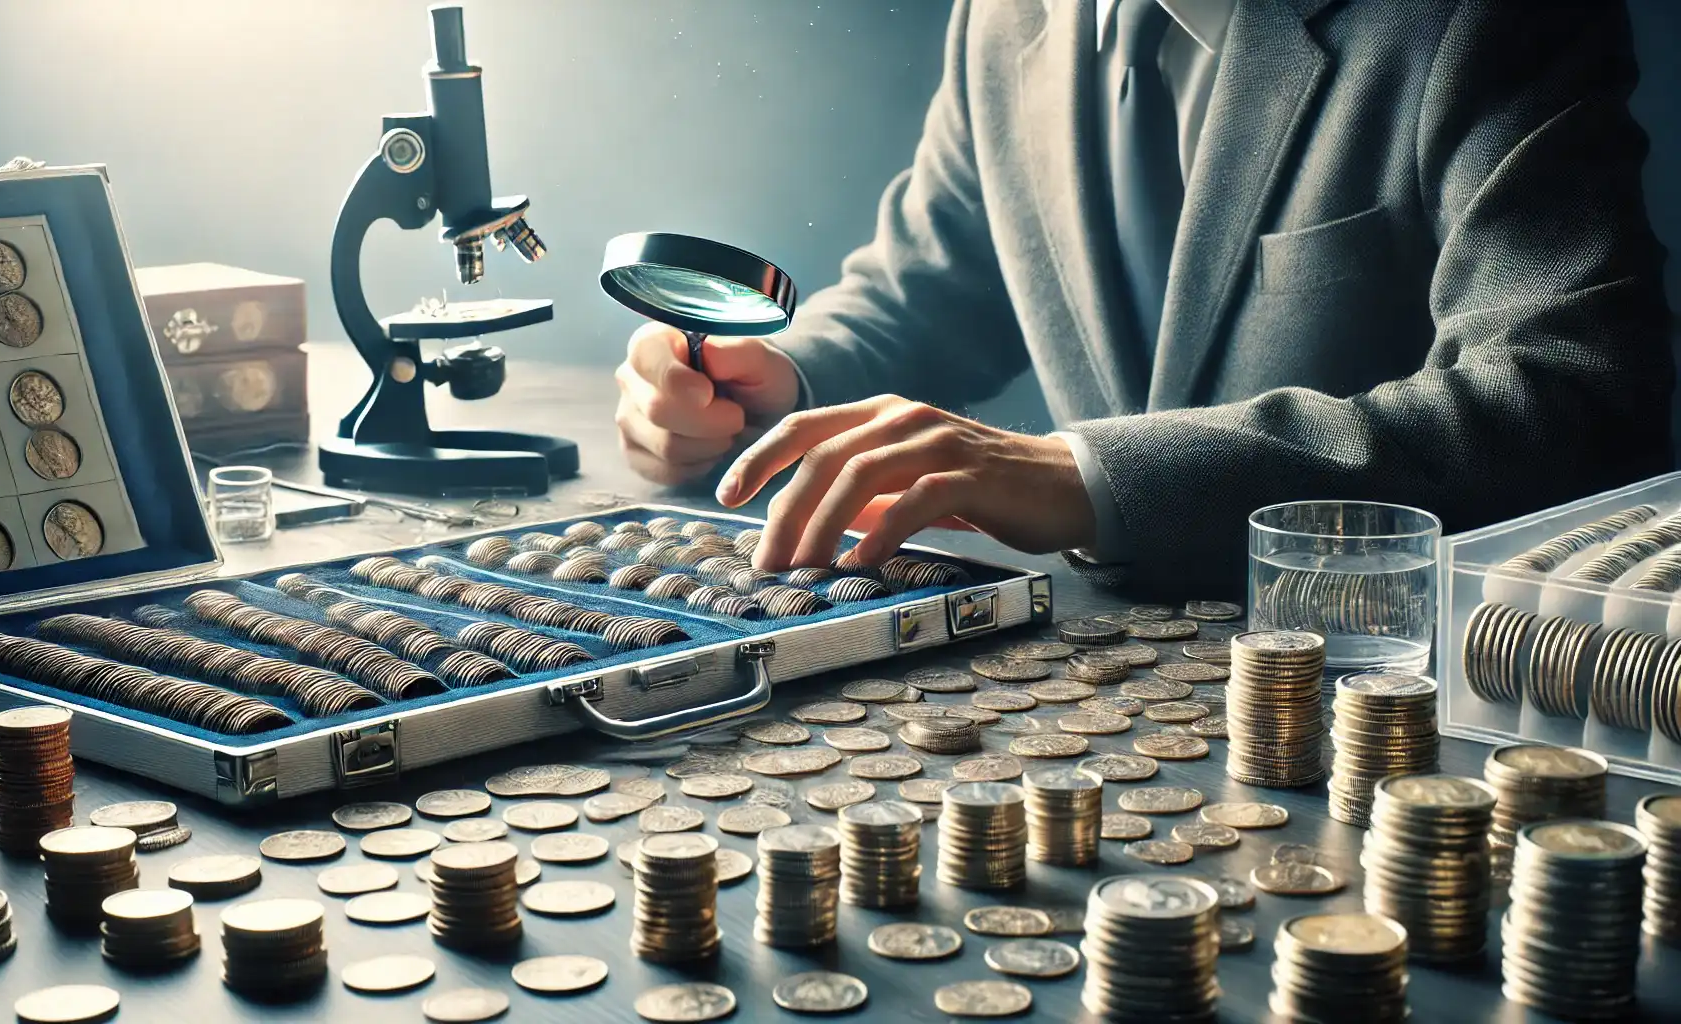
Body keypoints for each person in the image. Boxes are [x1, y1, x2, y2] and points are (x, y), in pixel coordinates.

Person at [614, 0, 1672, 597]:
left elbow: (1571, 394)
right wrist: (780, 392)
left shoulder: (1472, 19)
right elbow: (934, 285)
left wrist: (1087, 473)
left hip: (1400, 702)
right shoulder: (1002, 21)